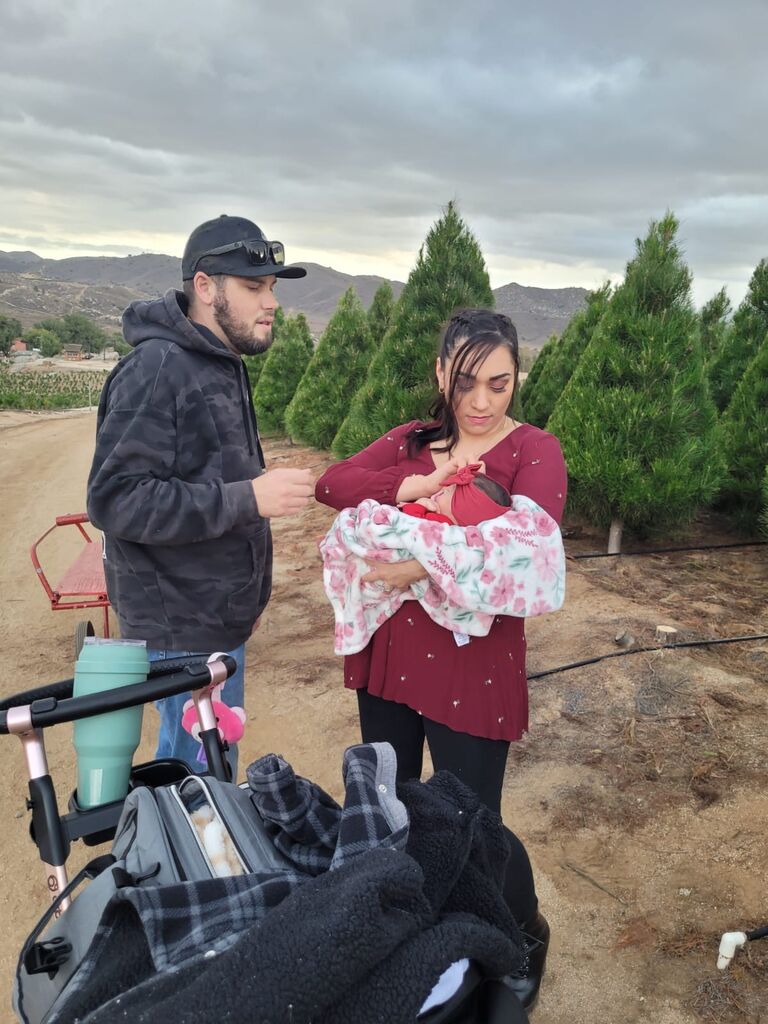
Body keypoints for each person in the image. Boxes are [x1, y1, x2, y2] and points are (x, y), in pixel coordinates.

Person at [315, 308, 567, 1007]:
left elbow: (530, 549)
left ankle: (519, 933)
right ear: (440, 375)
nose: (482, 403)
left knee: (475, 822)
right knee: (394, 804)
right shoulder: (411, 442)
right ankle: (426, 931)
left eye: (499, 383)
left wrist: (414, 563)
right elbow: (333, 485)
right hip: (391, 654)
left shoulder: (533, 451)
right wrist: (416, 490)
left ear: (518, 377)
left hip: (471, 664)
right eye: (465, 384)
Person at [87, 214, 314, 774]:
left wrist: (243, 599)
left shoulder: (218, 361)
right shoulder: (158, 368)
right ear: (206, 287)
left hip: (212, 617)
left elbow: (204, 473)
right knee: (202, 779)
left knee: (200, 764)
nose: (272, 303)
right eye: (254, 287)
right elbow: (116, 499)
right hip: (180, 627)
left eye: (272, 288)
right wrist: (249, 499)